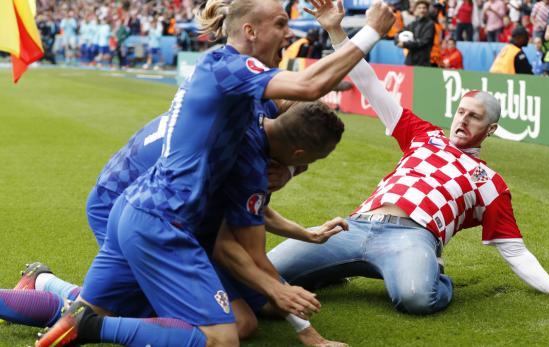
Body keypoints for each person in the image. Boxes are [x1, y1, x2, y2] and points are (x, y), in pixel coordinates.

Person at [36, 1, 395, 346]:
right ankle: (90, 324)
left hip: (141, 208)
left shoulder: (245, 95)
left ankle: (44, 287)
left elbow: (310, 93)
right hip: (160, 218)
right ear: (250, 30)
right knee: (224, 334)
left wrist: (334, 31)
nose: (288, 34)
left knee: (248, 312)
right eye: (281, 24)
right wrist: (371, 31)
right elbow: (308, 87)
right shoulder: (229, 68)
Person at [268, 10, 549, 317]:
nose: (462, 121)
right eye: (461, 112)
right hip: (355, 225)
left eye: (473, 117)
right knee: (269, 269)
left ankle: (433, 272)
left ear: (490, 130)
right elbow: (369, 82)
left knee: (417, 298)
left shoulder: (489, 180)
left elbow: (514, 250)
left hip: (412, 239)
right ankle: (330, 272)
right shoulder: (422, 134)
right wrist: (336, 30)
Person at [5, 101, 346, 346]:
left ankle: (46, 282)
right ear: (298, 153)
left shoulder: (248, 109)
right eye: (302, 166)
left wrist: (300, 236)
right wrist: (305, 330)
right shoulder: (243, 159)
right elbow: (230, 244)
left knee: (265, 305)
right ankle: (71, 305)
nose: (295, 175)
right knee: (236, 324)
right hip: (139, 217)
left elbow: (246, 210)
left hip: (138, 206)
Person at [397, 0, 436, 66]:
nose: (422, 10)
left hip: (423, 62)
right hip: (410, 60)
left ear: (427, 10)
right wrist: (397, 40)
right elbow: (399, 33)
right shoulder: (412, 24)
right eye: (419, 8)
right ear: (415, 10)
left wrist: (405, 44)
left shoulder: (430, 24)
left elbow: (423, 42)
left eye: (424, 8)